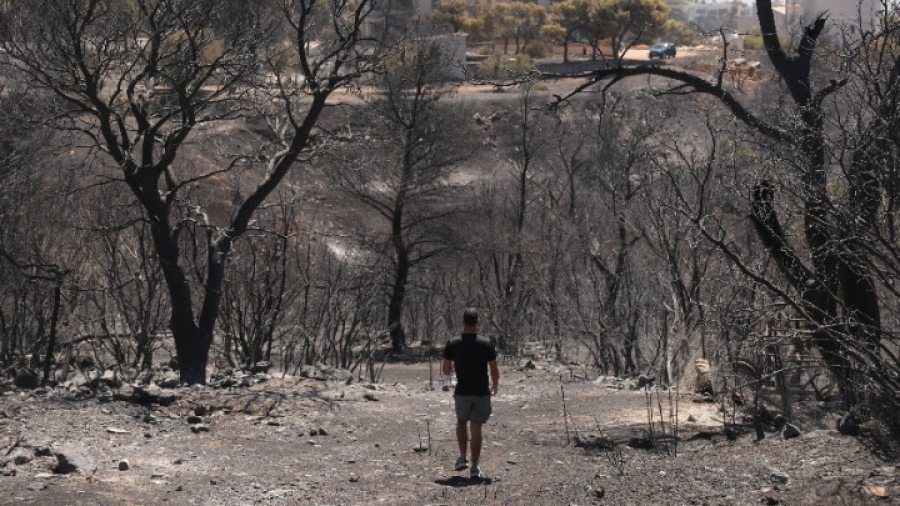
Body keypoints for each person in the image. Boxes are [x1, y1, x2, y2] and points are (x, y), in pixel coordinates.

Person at [442, 307, 500, 480]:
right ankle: (474, 467)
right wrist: (495, 384)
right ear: (477, 323)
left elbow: (445, 370)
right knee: (476, 428)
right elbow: (494, 368)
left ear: (463, 321)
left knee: (461, 422)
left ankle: (462, 457)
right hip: (481, 391)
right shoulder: (485, 343)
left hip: (462, 391)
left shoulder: (453, 343)